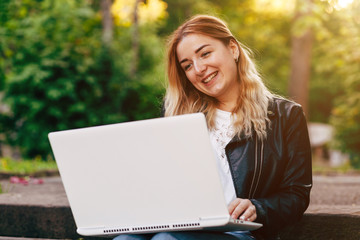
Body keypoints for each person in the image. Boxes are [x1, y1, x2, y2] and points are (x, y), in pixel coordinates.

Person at [114, 14, 312, 240]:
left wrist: (259, 207)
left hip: (240, 233)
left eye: (205, 53)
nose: (198, 69)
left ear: (233, 49)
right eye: (187, 65)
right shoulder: (176, 117)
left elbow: (297, 195)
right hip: (181, 228)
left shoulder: (285, 116)